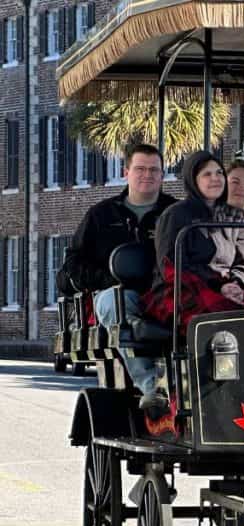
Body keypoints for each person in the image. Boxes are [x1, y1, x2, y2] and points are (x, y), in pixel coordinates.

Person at [139, 150, 244, 411]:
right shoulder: (176, 215)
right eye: (207, 174)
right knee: (209, 319)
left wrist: (237, 284)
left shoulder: (237, 217)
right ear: (194, 179)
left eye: (218, 173)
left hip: (231, 291)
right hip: (182, 287)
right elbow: (171, 262)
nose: (215, 179)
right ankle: (197, 394)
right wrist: (217, 284)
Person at [57, 143, 177, 401]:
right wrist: (109, 279)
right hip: (118, 296)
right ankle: (152, 387)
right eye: (140, 169)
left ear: (162, 174)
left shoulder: (175, 214)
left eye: (154, 170)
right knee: (117, 303)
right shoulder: (100, 215)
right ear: (126, 172)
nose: (147, 175)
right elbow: (71, 267)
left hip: (166, 294)